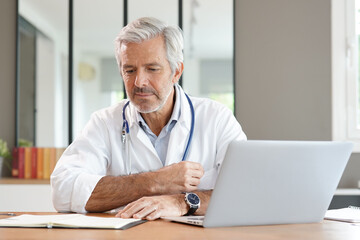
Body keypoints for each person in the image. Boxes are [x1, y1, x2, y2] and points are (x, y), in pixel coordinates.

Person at [51, 17, 246, 220]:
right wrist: (155, 182)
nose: (139, 81)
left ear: (176, 71)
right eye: (130, 70)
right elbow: (63, 190)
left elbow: (246, 191)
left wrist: (181, 202)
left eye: (152, 69)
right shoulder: (104, 122)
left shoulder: (217, 118)